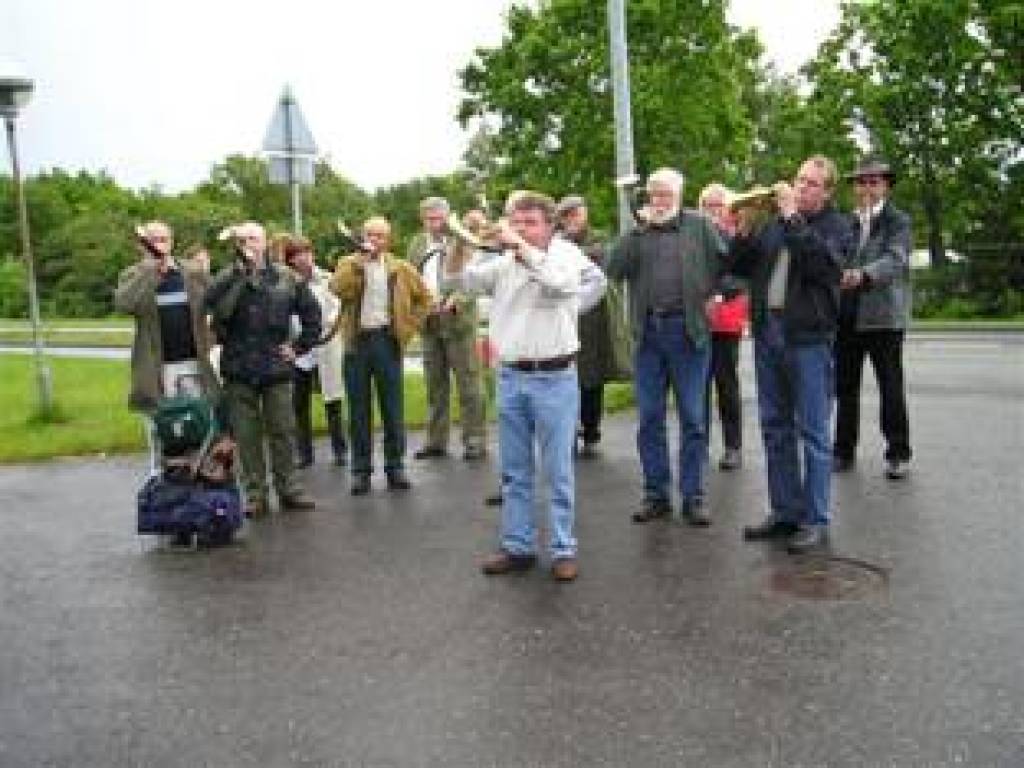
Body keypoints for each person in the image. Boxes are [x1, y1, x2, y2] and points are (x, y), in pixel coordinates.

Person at [450, 191, 606, 582]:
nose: (520, 229)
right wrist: (459, 243)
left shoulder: (565, 254)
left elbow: (560, 284)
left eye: (530, 223)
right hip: (511, 375)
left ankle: (563, 549)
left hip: (555, 377)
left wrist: (519, 247)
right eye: (515, 222)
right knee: (514, 470)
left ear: (550, 226)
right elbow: (460, 282)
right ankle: (518, 545)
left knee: (557, 470)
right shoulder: (503, 260)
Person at [728, 156, 854, 554]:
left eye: (811, 183)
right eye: (799, 180)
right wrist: (743, 232)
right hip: (768, 331)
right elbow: (739, 268)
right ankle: (785, 511)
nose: (801, 187)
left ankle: (816, 519)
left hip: (809, 337)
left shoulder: (838, 226)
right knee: (774, 427)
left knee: (813, 432)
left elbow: (823, 267)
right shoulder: (775, 226)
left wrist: (791, 219)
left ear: (827, 192)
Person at [606, 168, 729, 526]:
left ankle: (693, 497)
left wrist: (719, 295)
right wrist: (636, 229)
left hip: (688, 333)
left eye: (665, 194)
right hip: (648, 334)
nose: (658, 201)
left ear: (679, 195)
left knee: (693, 417)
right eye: (654, 194)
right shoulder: (639, 232)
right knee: (649, 418)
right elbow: (613, 267)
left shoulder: (699, 226)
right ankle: (656, 494)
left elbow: (729, 265)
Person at [204, 222, 321, 518]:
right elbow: (208, 302)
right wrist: (236, 275)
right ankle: (255, 495)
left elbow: (312, 313)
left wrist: (299, 347)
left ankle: (290, 489)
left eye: (254, 239)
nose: (249, 245)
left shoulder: (286, 277)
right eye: (243, 240)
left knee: (283, 430)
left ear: (265, 242)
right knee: (247, 436)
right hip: (238, 367)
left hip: (275, 366)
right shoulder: (226, 277)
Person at [330, 216, 432, 496]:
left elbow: (425, 299)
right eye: (370, 235)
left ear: (388, 240)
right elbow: (336, 288)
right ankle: (361, 471)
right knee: (358, 410)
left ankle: (395, 466)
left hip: (387, 341)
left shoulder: (401, 268)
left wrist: (409, 326)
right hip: (357, 343)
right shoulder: (348, 263)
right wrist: (358, 264)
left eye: (380, 236)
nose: (374, 240)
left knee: (392, 408)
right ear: (362, 237)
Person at [833, 158, 914, 480]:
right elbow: (835, 256)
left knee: (890, 387)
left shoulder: (898, 221)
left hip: (884, 318)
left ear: (886, 186)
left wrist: (864, 274)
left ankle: (898, 453)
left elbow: (896, 259)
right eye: (861, 182)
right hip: (847, 315)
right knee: (845, 388)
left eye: (874, 182)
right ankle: (843, 451)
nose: (866, 188)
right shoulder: (847, 222)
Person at [407, 197, 487, 462]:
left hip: (458, 322)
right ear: (422, 220)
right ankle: (436, 441)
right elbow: (411, 279)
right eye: (430, 219)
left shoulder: (462, 239)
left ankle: (474, 440)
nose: (436, 224)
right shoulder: (417, 244)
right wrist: (419, 307)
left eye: (440, 218)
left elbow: (476, 277)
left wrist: (456, 301)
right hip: (429, 323)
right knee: (435, 386)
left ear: (449, 217)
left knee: (469, 383)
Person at [115, 222, 218, 412]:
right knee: (165, 422)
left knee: (200, 419)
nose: (159, 245)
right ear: (142, 246)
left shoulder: (192, 272)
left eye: (164, 240)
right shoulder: (132, 275)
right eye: (154, 241)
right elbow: (125, 305)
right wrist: (150, 271)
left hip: (195, 363)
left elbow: (219, 303)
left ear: (171, 242)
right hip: (158, 367)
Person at [556, 194, 619, 459]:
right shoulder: (555, 242)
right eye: (566, 214)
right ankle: (568, 431)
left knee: (592, 379)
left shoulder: (598, 239)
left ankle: (591, 430)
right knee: (564, 377)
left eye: (576, 213)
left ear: (585, 214)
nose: (572, 219)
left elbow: (603, 262)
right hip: (563, 320)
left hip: (593, 320)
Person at [283, 236, 348, 468]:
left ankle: (340, 450)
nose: (304, 258)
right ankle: (304, 454)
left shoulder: (327, 279)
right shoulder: (285, 282)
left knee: (332, 399)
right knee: (299, 404)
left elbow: (337, 309)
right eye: (298, 254)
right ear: (290, 259)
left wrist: (320, 330)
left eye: (307, 252)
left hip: (325, 345)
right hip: (299, 350)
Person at [698, 183, 749, 471]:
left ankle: (733, 446)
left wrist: (717, 294)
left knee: (726, 384)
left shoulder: (735, 236)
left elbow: (741, 276)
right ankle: (699, 444)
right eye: (708, 205)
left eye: (718, 205)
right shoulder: (694, 236)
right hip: (697, 320)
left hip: (726, 320)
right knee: (697, 386)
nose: (713, 210)